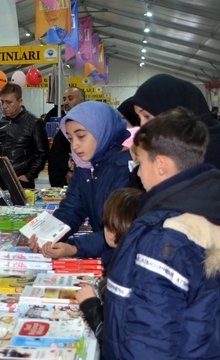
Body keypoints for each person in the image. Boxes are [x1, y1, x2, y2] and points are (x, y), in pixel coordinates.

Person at [103, 107, 220, 359]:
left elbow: (149, 341)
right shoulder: (204, 212)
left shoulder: (164, 238)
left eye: (140, 162)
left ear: (161, 165)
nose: (137, 171)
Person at [28, 101, 131, 259]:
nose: (75, 145)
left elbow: (120, 232)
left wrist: (74, 248)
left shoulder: (126, 168)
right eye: (70, 138)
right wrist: (48, 236)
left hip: (123, 257)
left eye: (81, 136)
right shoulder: (85, 165)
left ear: (101, 130)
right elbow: (72, 208)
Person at [74, 187, 144, 344]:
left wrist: (90, 303)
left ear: (112, 231)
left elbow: (112, 336)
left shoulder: (123, 269)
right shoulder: (130, 258)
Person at [129, 74, 220, 182]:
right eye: (139, 118)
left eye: (147, 116)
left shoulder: (204, 159)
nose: (142, 125)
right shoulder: (175, 149)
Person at [0, 83, 49, 190]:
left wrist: (29, 175)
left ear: (20, 101)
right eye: (2, 101)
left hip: (21, 180)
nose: (4, 106)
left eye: (9, 102)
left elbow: (43, 153)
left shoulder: (34, 123)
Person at [48, 87, 85, 187]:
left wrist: (74, 170)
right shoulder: (65, 125)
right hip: (59, 183)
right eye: (64, 99)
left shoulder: (87, 126)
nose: (66, 102)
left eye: (70, 98)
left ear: (82, 102)